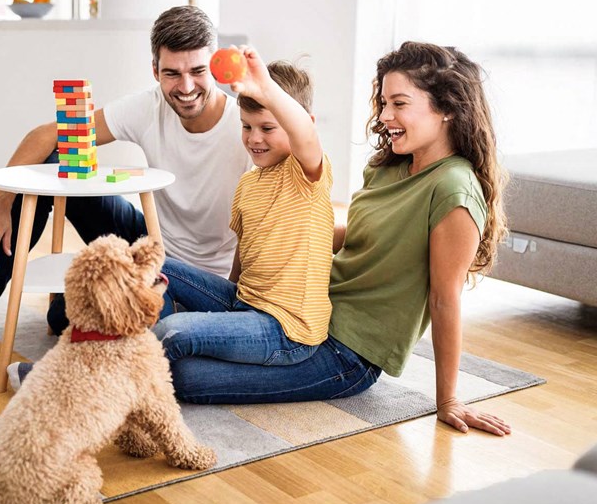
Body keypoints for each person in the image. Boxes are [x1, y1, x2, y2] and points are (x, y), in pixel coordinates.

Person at [155, 41, 512, 437]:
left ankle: (130, 362)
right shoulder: (390, 166)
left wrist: (448, 400)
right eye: (383, 102)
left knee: (182, 371)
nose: (385, 115)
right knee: (153, 268)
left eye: (399, 103)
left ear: (446, 109)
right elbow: (352, 235)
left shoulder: (453, 190)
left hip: (345, 353)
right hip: (302, 308)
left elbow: (445, 299)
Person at [0, 6, 252, 344]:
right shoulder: (150, 106)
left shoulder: (247, 128)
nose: (186, 86)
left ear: (216, 66)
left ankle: (74, 296)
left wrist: (232, 298)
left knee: (63, 320)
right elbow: (46, 135)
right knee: (52, 163)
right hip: (148, 239)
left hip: (201, 274)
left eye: (197, 71)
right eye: (172, 73)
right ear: (154, 70)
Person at [154, 48, 337, 377]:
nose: (254, 139)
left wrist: (265, 88)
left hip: (287, 329)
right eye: (246, 127)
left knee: (174, 331)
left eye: (267, 129)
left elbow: (304, 136)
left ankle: (110, 381)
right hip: (244, 302)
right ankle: (152, 363)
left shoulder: (305, 173)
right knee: (155, 266)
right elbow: (244, 250)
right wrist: (225, 310)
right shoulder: (248, 184)